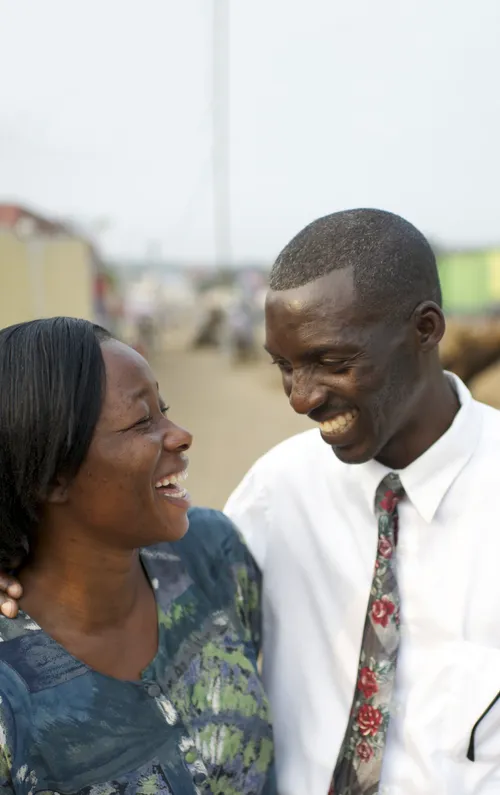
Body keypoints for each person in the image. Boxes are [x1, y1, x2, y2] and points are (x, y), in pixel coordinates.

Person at [3, 207, 500, 794]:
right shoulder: (276, 493)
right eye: (285, 367)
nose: (299, 399)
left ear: (425, 329)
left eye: (332, 362)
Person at [0, 318, 275, 794]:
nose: (181, 435)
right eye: (142, 421)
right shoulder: (11, 698)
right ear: (52, 475)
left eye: (163, 410)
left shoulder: (212, 556)